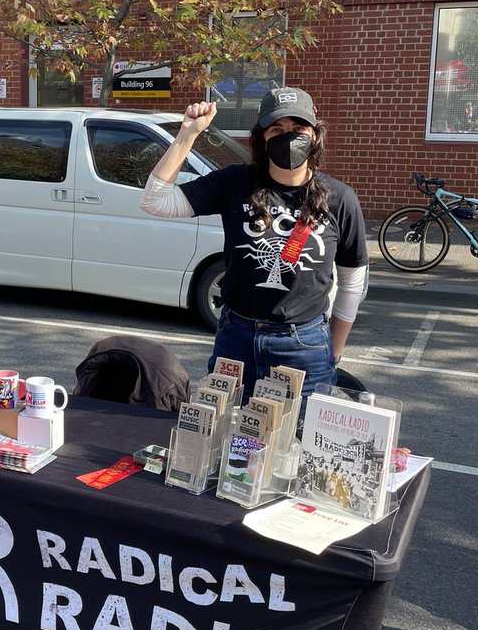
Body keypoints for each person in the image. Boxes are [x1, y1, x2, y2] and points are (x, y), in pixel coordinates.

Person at [140, 87, 369, 405]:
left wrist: (334, 349)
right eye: (277, 129)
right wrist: (187, 135)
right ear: (262, 138)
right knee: (223, 436)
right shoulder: (235, 183)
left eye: (298, 129)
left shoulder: (340, 198)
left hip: (304, 344)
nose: (288, 138)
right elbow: (155, 201)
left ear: (315, 135)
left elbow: (351, 283)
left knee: (299, 443)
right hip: (237, 338)